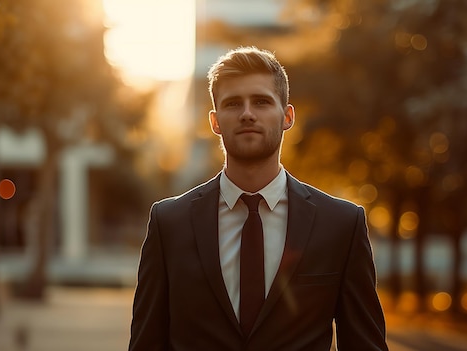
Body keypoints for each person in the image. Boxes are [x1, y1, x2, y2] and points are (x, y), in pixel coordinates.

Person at [129, 46, 388, 351]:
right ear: (214, 122)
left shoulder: (341, 225)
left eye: (262, 102)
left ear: (287, 116)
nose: (247, 113)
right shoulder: (169, 223)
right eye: (233, 103)